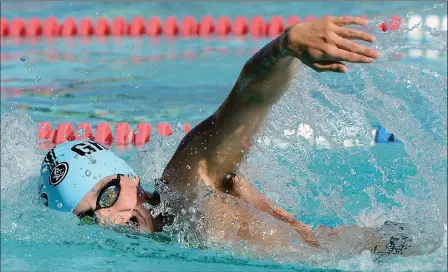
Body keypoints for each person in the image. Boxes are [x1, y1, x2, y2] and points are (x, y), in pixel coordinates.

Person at [39, 16, 428, 259]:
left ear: (130, 177)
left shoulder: (184, 185)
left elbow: (246, 100)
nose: (108, 220)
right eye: (89, 219)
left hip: (389, 253)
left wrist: (284, 47)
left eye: (106, 196)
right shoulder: (163, 242)